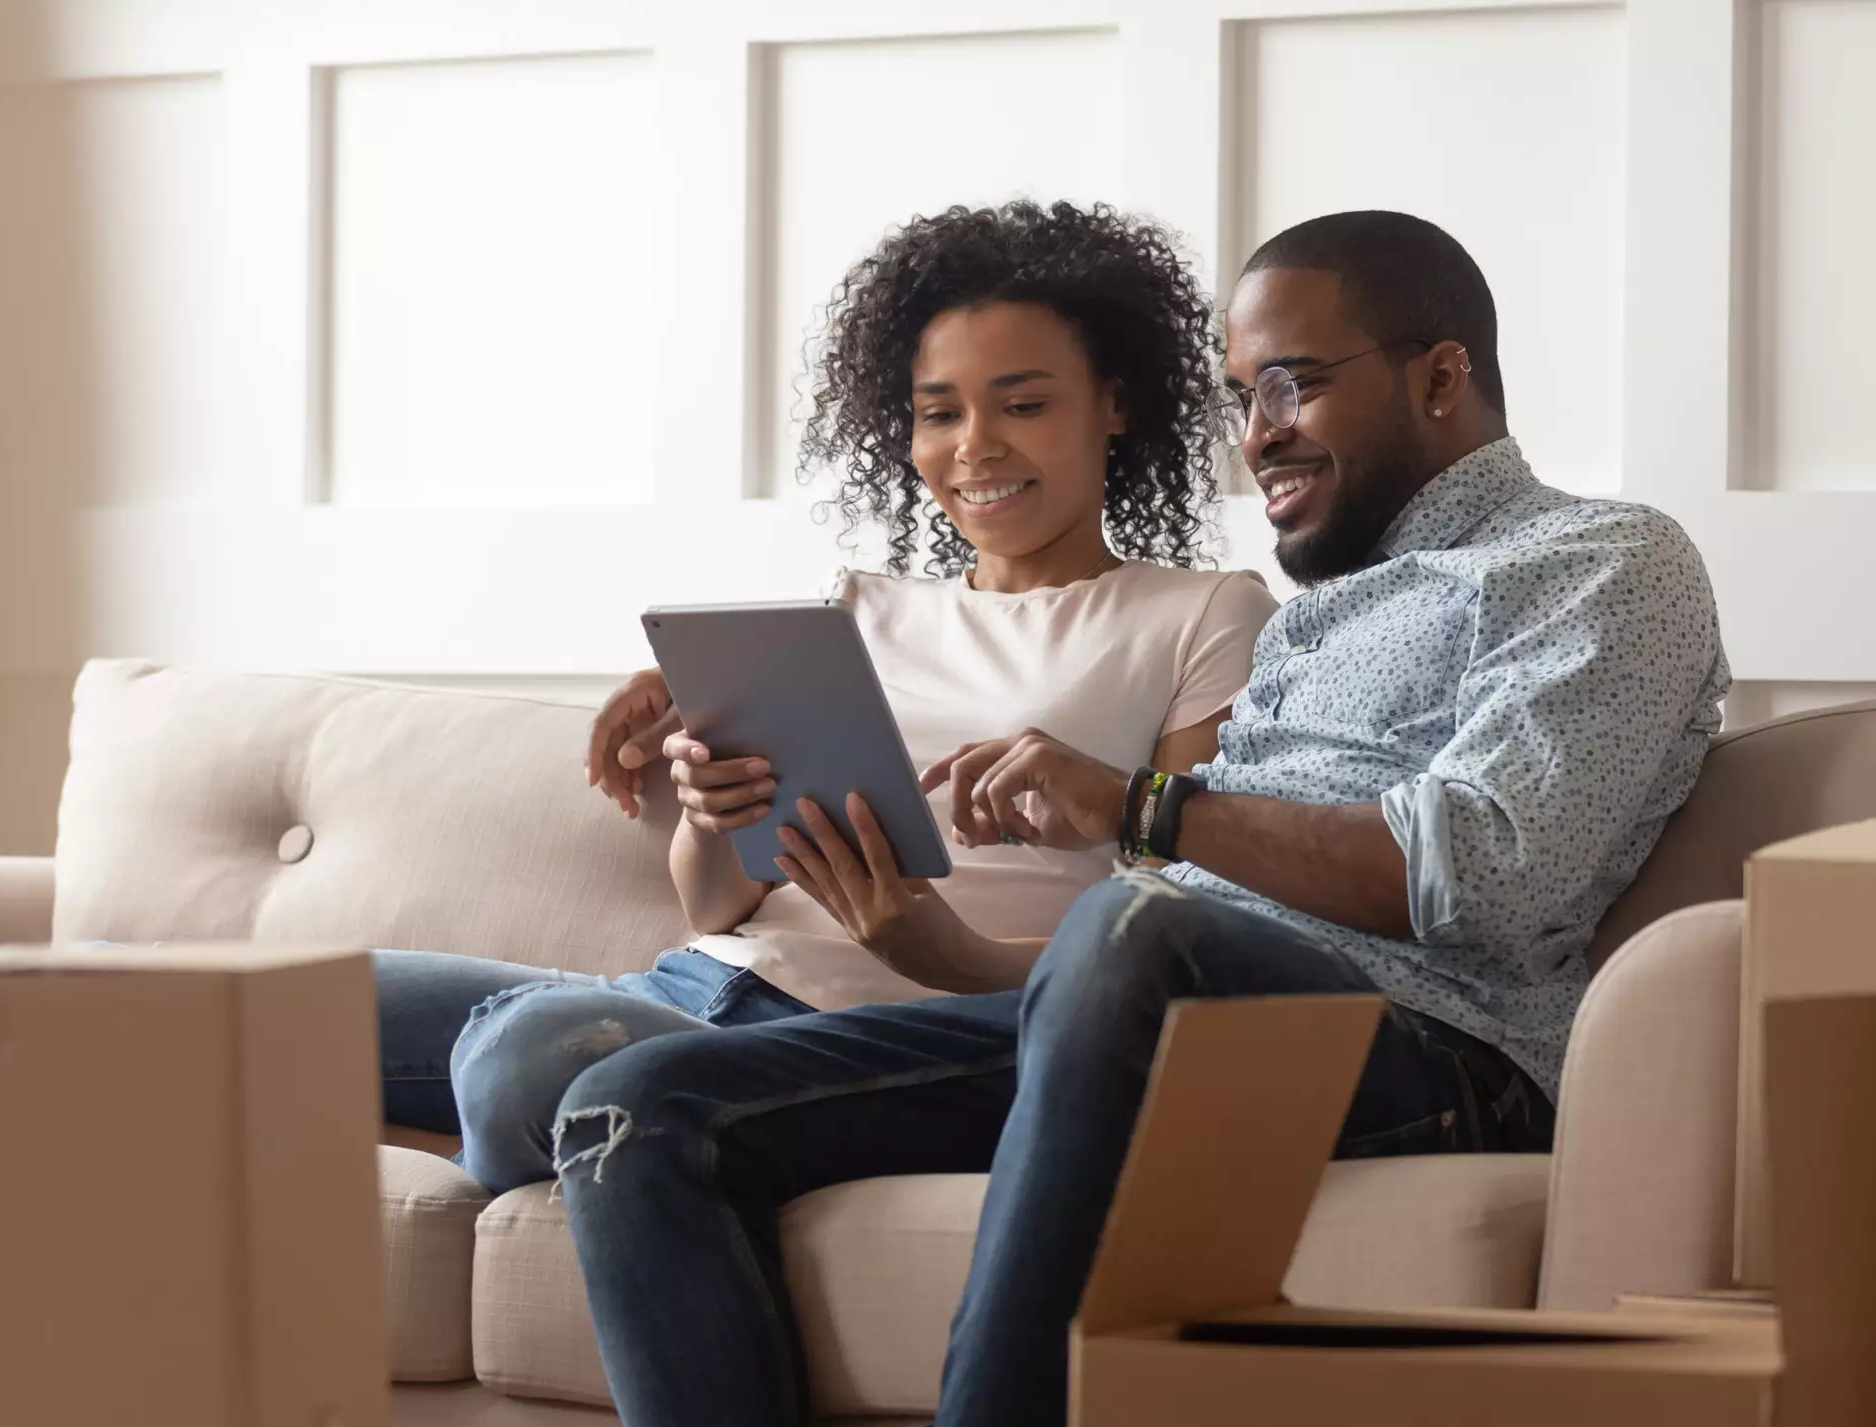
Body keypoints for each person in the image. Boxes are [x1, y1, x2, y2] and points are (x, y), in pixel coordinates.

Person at [567, 210, 1732, 1427]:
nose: (1259, 435)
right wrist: (947, 943)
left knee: (1136, 911)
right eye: (1245, 393)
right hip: (1173, 1003)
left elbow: (1490, 870)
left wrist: (1140, 807)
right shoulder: (1324, 613)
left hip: (1429, 1044)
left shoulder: (1602, 560)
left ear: (1442, 377)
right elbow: (1112, 988)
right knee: (634, 1110)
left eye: (1294, 384)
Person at [372, 199, 1276, 1202]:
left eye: (1022, 406)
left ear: (1115, 402)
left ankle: (491, 1142)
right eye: (939, 412)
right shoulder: (857, 607)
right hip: (690, 987)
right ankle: (529, 1141)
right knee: (293, 1000)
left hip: (852, 1036)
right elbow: (719, 902)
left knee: (524, 1052)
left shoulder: (1202, 617)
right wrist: (713, 814)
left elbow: (1181, 939)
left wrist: (953, 953)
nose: (974, 446)